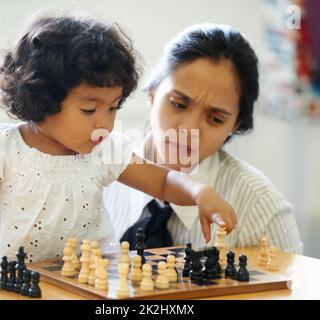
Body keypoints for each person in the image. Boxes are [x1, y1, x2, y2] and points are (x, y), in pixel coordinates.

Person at [0, 13, 236, 273]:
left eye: (113, 107)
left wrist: (199, 192)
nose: (104, 122)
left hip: (84, 279)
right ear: (43, 100)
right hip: (11, 284)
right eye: (89, 109)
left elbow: (162, 181)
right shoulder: (4, 147)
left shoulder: (104, 148)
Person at [104, 23, 303, 253]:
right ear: (151, 92)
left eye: (215, 119)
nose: (189, 129)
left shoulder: (262, 209)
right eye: (178, 104)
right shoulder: (97, 175)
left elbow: (297, 288)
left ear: (235, 125)